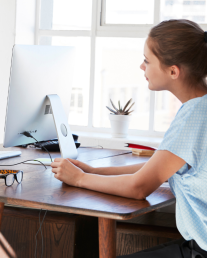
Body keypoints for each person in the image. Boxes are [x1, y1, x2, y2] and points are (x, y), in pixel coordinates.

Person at [51, 19, 207, 258]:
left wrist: (80, 179)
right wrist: (94, 171)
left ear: (173, 71)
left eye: (147, 60)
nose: (141, 67)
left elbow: (139, 187)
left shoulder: (193, 116)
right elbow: (162, 166)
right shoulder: (200, 108)